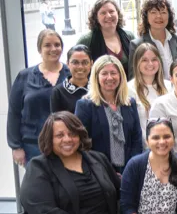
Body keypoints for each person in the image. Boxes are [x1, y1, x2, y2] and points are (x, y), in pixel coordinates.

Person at [8, 29, 70, 164]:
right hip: (33, 147)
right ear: (39, 49)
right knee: (39, 184)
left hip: (67, 145)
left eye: (57, 45)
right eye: (47, 45)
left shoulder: (71, 75)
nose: (53, 49)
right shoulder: (24, 76)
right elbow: (14, 113)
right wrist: (16, 146)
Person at [75, 55, 143, 172]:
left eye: (113, 73)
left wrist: (132, 168)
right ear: (96, 77)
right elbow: (81, 143)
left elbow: (136, 139)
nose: (110, 77)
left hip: (128, 171)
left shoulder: (129, 103)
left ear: (121, 76)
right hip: (98, 172)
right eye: (104, 73)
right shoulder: (85, 105)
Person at [128, 0, 177, 80]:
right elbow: (133, 78)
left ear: (169, 16)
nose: (159, 16)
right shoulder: (137, 45)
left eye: (163, 12)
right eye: (153, 12)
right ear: (146, 17)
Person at [77, 0, 135, 79]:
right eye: (103, 13)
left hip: (128, 89)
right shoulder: (86, 40)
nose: (108, 15)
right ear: (96, 17)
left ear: (118, 14)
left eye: (111, 11)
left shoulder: (130, 37)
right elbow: (77, 68)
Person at [127, 43, 171, 138]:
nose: (150, 64)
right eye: (144, 60)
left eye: (154, 59)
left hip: (167, 146)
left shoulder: (170, 87)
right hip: (143, 148)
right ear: (137, 63)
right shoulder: (128, 89)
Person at [51, 45, 92, 113]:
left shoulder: (98, 88)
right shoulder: (58, 92)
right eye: (75, 62)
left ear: (91, 63)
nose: (80, 67)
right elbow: (56, 121)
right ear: (67, 64)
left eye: (85, 62)